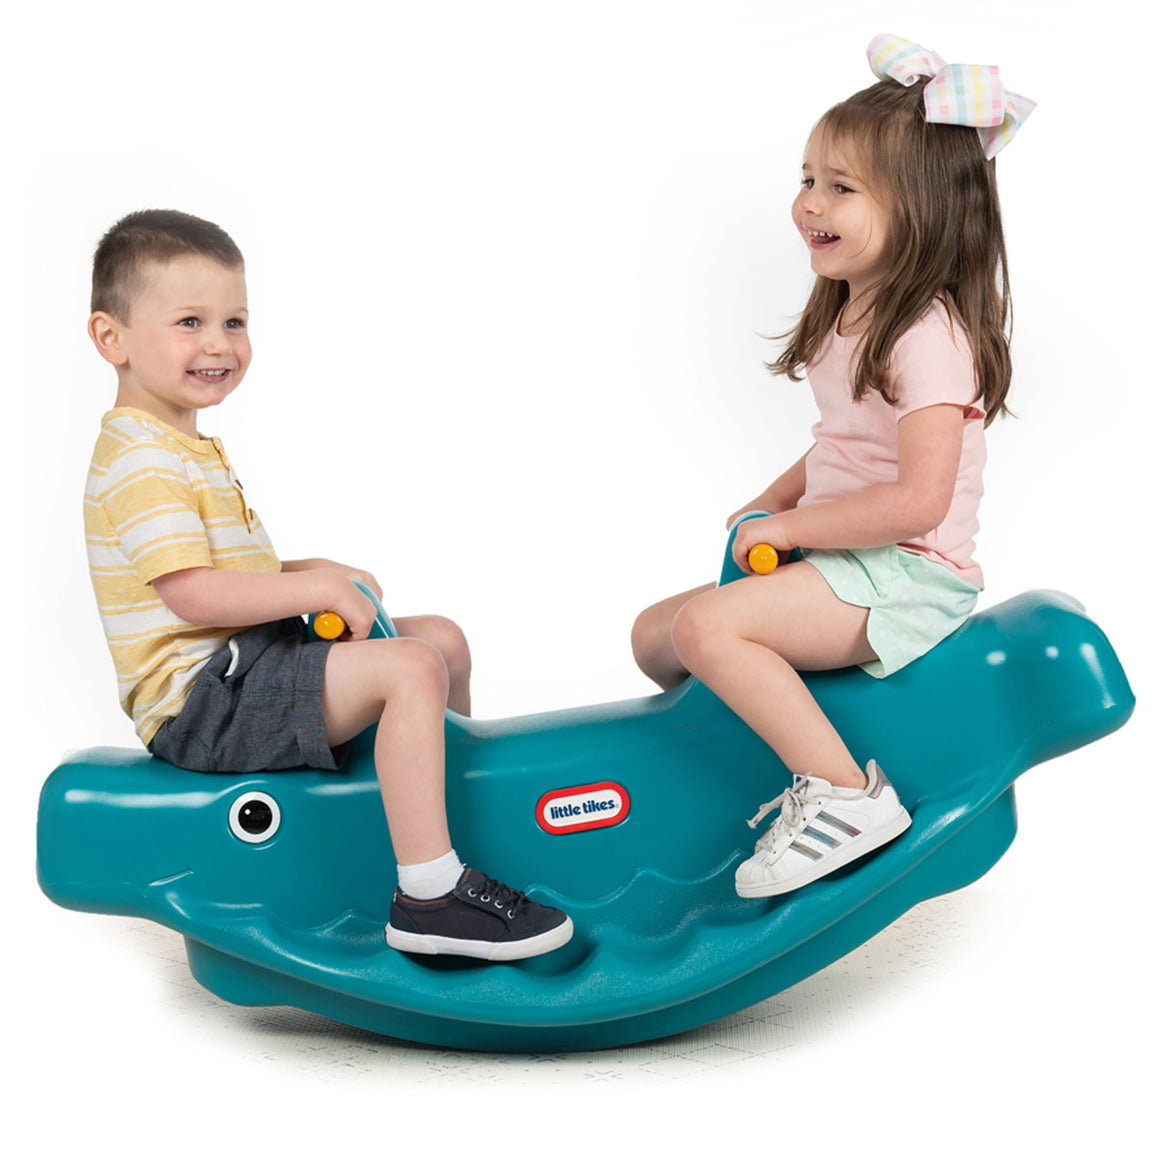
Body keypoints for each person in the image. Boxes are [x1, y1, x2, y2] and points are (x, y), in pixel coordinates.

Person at [83, 208, 572, 960]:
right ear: (110, 337)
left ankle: (441, 837)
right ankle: (431, 896)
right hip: (203, 701)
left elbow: (227, 574)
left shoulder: (180, 443)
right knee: (410, 667)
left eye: (235, 321)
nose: (218, 344)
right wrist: (315, 594)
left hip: (244, 666)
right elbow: (192, 593)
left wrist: (315, 572)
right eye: (189, 322)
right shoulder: (141, 459)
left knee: (440, 642)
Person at [631, 34, 1035, 899]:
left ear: (923, 209)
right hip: (849, 561)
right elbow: (841, 444)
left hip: (908, 574)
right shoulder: (854, 310)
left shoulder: (928, 337)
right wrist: (772, 499)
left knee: (709, 630)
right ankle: (762, 757)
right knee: (656, 636)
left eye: (842, 188)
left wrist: (790, 527)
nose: (809, 203)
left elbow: (919, 501)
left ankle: (848, 797)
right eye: (808, 178)